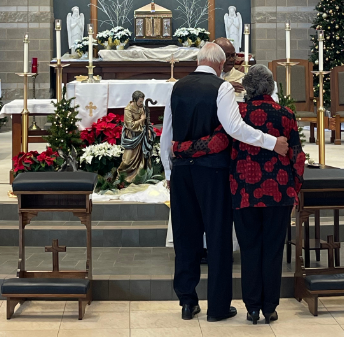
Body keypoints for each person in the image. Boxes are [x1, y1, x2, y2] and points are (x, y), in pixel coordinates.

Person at [160, 43, 289, 322]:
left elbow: (165, 137)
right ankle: (217, 308)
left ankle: (187, 300)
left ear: (199, 61)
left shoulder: (176, 87)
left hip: (182, 171)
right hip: (213, 172)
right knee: (217, 237)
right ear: (220, 65)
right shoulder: (222, 87)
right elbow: (235, 129)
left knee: (186, 236)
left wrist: (169, 175)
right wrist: (271, 142)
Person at [210, 64, 305, 324]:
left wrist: (183, 148)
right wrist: (295, 188)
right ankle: (270, 307)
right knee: (273, 250)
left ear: (248, 88)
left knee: (250, 248)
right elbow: (297, 154)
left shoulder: (237, 113)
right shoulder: (285, 114)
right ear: (271, 87)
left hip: (244, 191)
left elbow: (219, 144)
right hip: (279, 191)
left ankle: (252, 308)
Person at [116, 91, 156, 182]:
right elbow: (130, 126)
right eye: (140, 101)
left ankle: (138, 177)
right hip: (132, 137)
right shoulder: (128, 110)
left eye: (142, 101)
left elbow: (147, 122)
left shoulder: (142, 108)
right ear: (134, 100)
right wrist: (142, 119)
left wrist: (149, 129)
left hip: (141, 135)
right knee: (127, 160)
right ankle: (122, 176)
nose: (142, 103)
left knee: (141, 158)